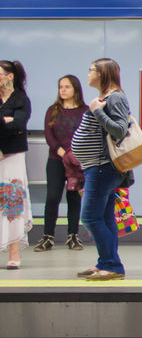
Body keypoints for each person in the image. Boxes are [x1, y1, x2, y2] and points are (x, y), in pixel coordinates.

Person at [69, 58, 132, 280]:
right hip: (96, 167)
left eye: (91, 70)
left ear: (103, 73)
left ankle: (113, 265)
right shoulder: (108, 97)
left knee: (90, 217)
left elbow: (119, 130)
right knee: (104, 218)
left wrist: (97, 111)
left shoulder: (115, 98)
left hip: (103, 167)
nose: (88, 74)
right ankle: (105, 262)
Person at [37, 74, 88, 252]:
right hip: (56, 159)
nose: (63, 90)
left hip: (77, 161)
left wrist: (75, 154)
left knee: (74, 198)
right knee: (52, 197)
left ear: (75, 89)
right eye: (60, 87)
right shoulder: (53, 110)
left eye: (67, 87)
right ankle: (47, 236)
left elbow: (88, 134)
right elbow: (49, 134)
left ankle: (72, 236)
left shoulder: (85, 110)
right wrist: (62, 152)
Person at [0, 60, 33, 269]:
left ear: (9, 76)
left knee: (12, 200)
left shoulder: (21, 99)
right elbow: (11, 125)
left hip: (12, 155)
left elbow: (20, 124)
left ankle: (14, 251)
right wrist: (6, 120)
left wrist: (11, 122)